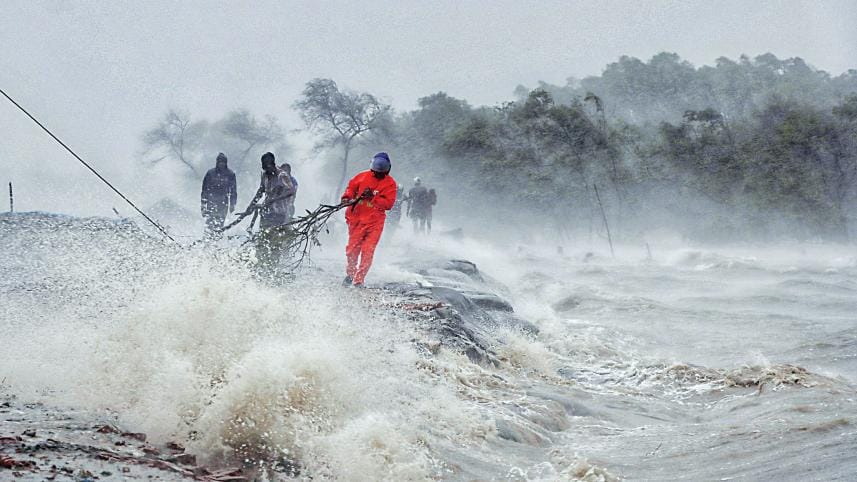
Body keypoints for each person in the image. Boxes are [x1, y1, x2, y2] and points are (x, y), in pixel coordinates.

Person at [341, 152, 397, 287]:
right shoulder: (361, 177)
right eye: (375, 171)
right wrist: (346, 198)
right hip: (356, 220)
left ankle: (359, 279)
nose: (377, 174)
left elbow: (388, 204)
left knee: (368, 250)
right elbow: (350, 189)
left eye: (381, 172)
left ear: (387, 170)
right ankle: (350, 274)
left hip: (375, 223)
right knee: (352, 250)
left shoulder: (390, 184)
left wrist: (373, 196)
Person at [242, 152, 295, 272]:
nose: (267, 169)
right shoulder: (264, 175)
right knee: (263, 239)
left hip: (279, 214)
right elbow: (261, 190)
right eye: (265, 167)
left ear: (273, 164)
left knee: (275, 242)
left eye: (269, 166)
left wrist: (275, 199)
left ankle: (273, 268)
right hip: (267, 212)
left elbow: (290, 190)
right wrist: (250, 206)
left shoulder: (282, 175)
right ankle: (261, 266)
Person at [200, 152, 237, 237]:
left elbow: (233, 191)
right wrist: (203, 205)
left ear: (226, 163)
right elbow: (204, 190)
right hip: (211, 202)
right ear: (217, 162)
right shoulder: (210, 173)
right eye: (220, 162)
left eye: (223, 162)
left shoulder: (230, 174)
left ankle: (216, 242)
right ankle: (207, 241)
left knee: (220, 224)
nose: (221, 164)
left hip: (223, 203)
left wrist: (232, 204)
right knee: (210, 224)